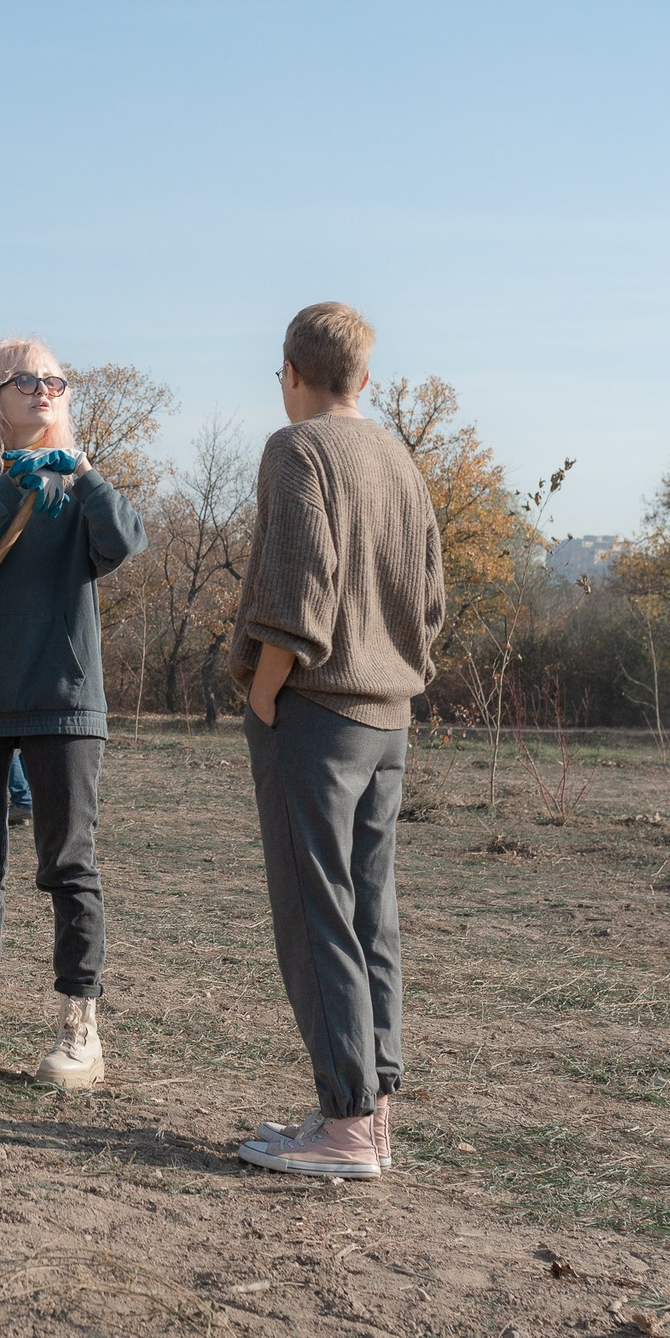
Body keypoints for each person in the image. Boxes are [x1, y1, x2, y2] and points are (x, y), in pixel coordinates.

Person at [232, 303, 445, 1181]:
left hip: (316, 710)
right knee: (370, 910)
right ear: (365, 378)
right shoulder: (399, 456)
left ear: (291, 372)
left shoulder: (297, 449)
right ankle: (370, 1104)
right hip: (390, 714)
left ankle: (347, 1126)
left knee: (316, 912)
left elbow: (299, 583)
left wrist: (266, 689)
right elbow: (432, 598)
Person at [0, 337, 146, 1091]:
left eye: (55, 381)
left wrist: (82, 475)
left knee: (68, 865)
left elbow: (125, 542)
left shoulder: (80, 489)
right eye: (25, 380)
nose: (43, 390)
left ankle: (82, 1031)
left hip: (63, 701)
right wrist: (12, 484)